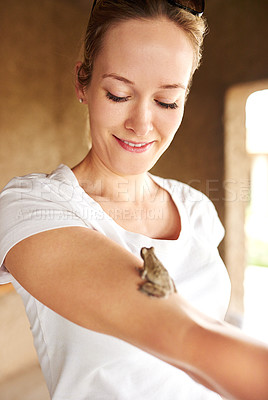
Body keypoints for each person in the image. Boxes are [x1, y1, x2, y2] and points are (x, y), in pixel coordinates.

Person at [1, 0, 267, 399]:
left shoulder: (195, 208)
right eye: (119, 94)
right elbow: (185, 334)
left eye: (167, 101)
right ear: (83, 83)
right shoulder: (30, 207)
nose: (141, 124)